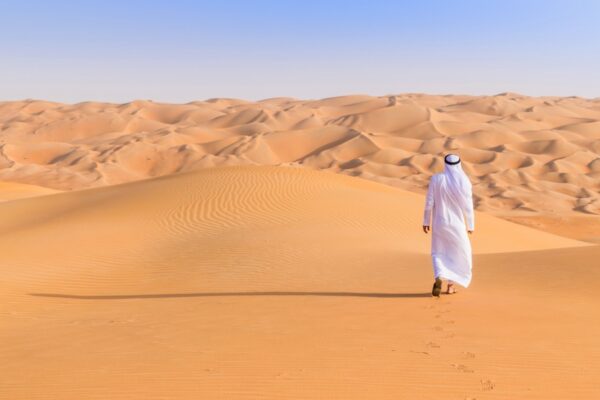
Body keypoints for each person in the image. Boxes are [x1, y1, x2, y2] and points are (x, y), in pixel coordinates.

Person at [422, 153, 474, 297]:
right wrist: (471, 225)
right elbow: (468, 206)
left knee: (438, 252)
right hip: (457, 224)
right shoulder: (464, 181)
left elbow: (429, 202)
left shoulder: (436, 179)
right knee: (458, 253)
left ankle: (439, 275)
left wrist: (426, 221)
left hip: (439, 222)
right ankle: (450, 286)